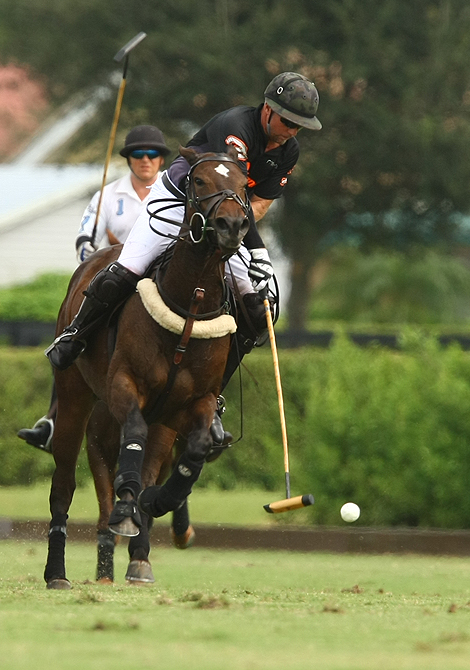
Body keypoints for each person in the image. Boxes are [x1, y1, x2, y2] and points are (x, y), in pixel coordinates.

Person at [43, 72, 321, 449]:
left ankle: (212, 398)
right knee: (127, 269)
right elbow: (227, 189)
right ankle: (74, 336)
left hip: (228, 220)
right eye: (288, 122)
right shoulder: (235, 129)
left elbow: (257, 203)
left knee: (259, 310)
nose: (291, 132)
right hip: (177, 202)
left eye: (301, 127)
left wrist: (247, 247)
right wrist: (256, 250)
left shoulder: (288, 151)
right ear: (269, 109)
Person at [18, 125, 171, 451]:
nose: (146, 160)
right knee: (76, 331)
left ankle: (211, 412)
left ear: (161, 159)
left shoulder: (175, 190)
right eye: (138, 155)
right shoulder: (108, 196)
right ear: (129, 159)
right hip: (120, 284)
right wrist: (98, 260)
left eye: (153, 154)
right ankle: (52, 420)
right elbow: (85, 241)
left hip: (163, 286)